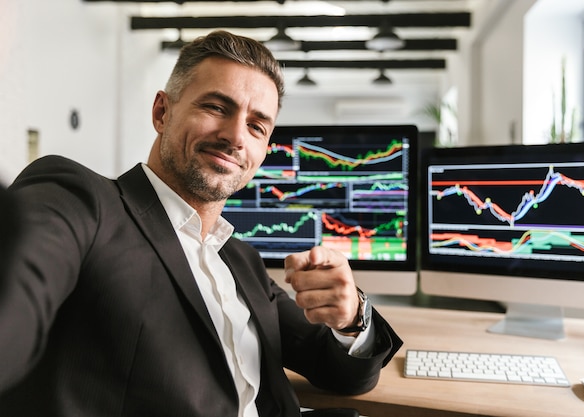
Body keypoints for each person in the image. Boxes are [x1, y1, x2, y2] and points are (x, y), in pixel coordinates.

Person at [0, 30, 402, 416]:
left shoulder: (241, 259)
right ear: (162, 112)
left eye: (256, 126)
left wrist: (351, 317)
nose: (235, 137)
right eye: (216, 107)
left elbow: (349, 375)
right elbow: (20, 284)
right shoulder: (84, 201)